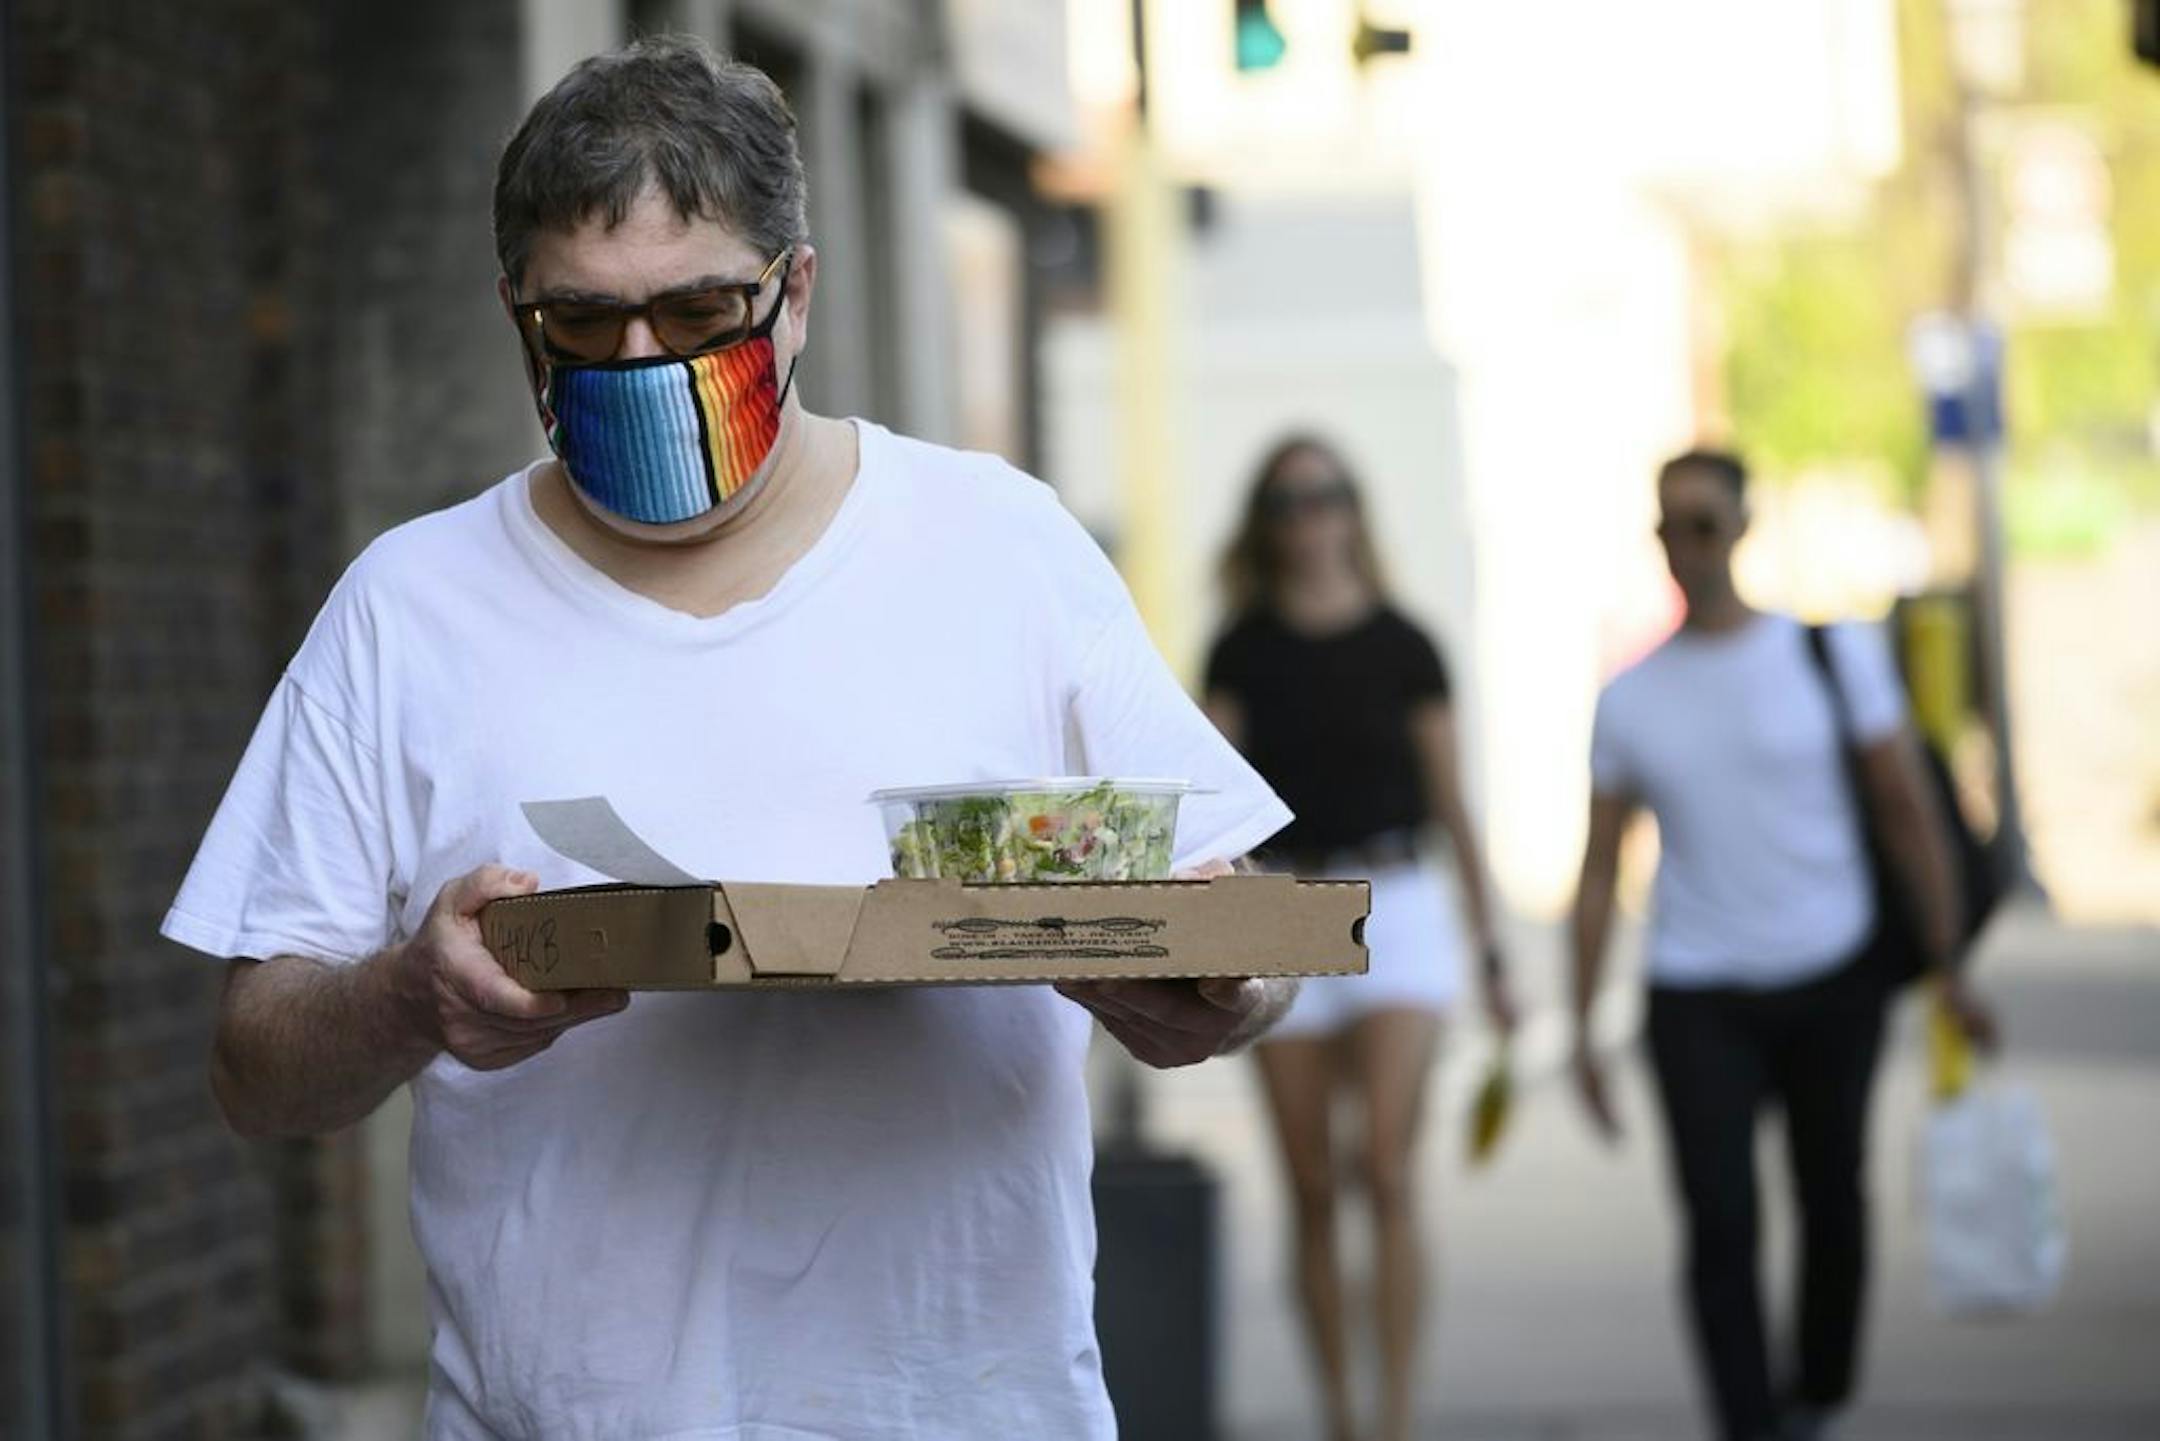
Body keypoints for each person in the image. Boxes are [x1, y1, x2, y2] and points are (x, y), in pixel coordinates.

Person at [162, 37, 1303, 1438]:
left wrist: (1214, 986)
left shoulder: (1000, 545)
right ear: (516, 312)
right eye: (584, 323)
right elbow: (255, 1070)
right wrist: (409, 996)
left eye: (698, 309)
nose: (641, 360)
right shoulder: (406, 607)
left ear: (794, 293)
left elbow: (1236, 918)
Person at [1567, 448, 1997, 1441]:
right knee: (1719, 1218)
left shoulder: (1829, 655)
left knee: (1832, 1196)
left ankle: (1821, 1394)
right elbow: (1597, 870)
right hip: (1696, 988)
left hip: (1832, 970)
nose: (1688, 545)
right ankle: (1748, 1420)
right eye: (1670, 526)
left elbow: (1906, 809)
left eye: (1705, 523)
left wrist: (1948, 962)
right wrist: (1583, 1024)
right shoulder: (1632, 697)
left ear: (1743, 527)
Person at [1201, 435, 1515, 1441]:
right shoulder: (1241, 647)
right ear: (1264, 524)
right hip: (1285, 903)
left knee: (1385, 1164)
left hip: (1399, 901)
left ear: (1354, 510)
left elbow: (1452, 800)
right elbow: (1214, 806)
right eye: (1286, 502)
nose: (1309, 518)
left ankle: (1395, 1417)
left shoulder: (1406, 643)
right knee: (1309, 1182)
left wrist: (1492, 946)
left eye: (1325, 496)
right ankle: (1339, 1411)